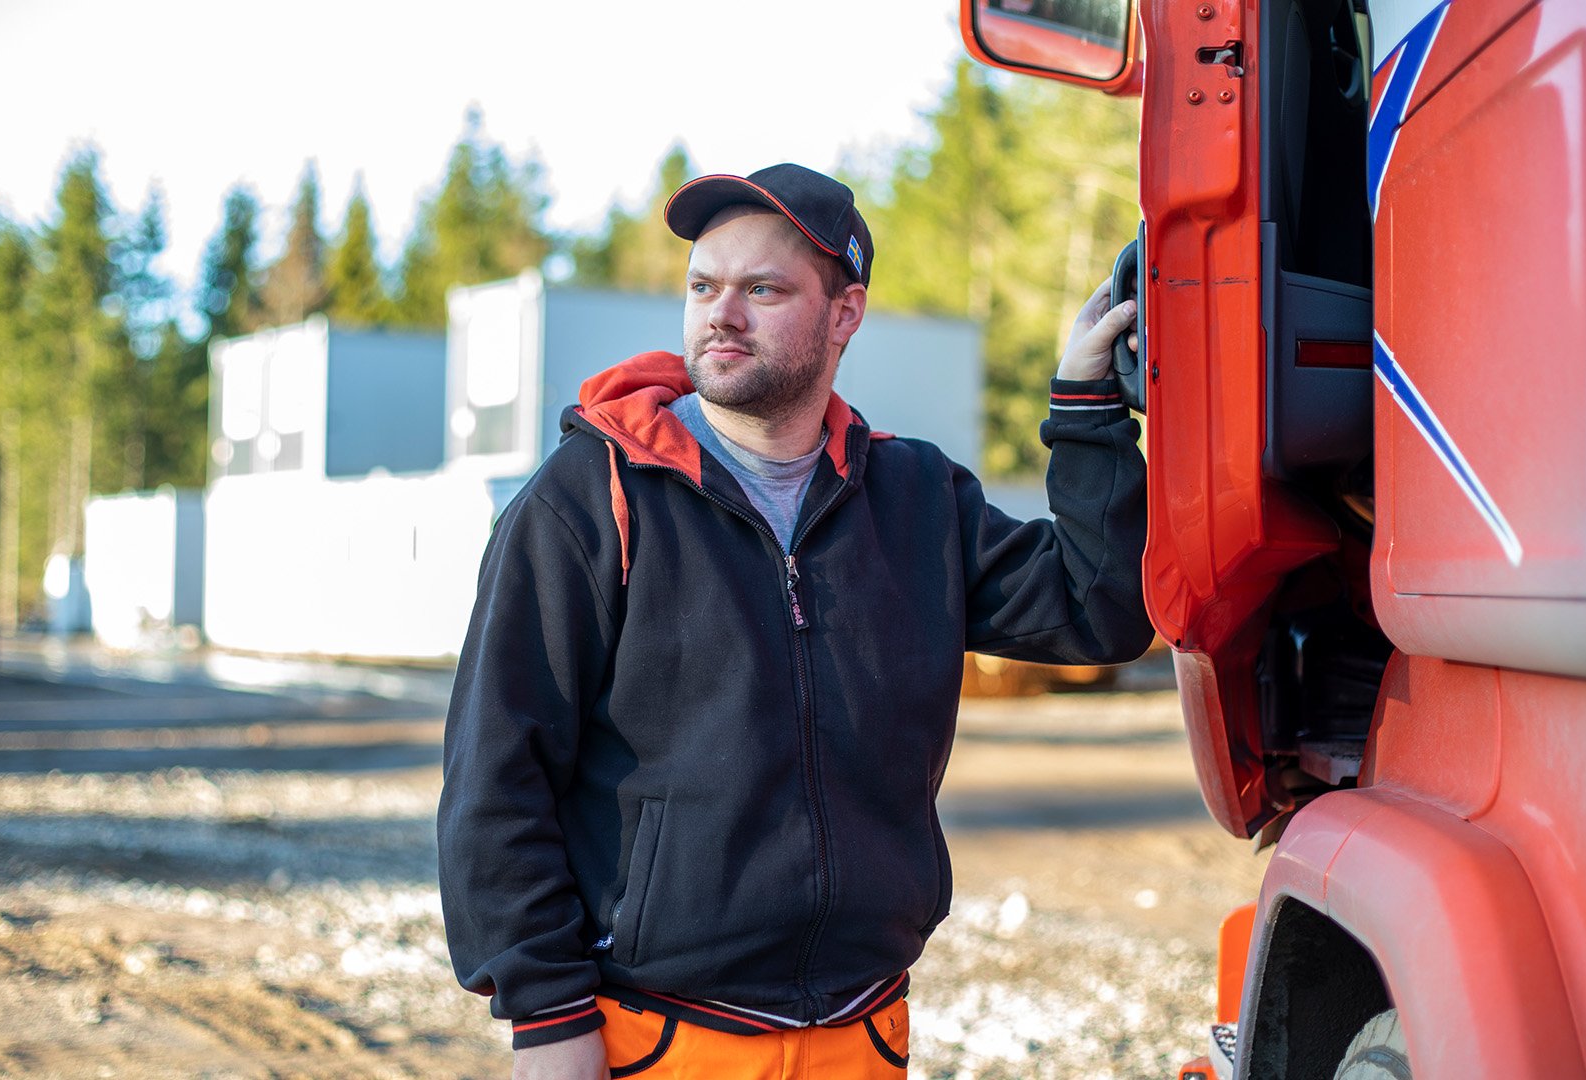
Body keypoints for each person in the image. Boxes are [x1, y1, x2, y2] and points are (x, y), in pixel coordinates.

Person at [437, 163, 1148, 1080]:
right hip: (658, 1040)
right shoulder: (591, 498)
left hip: (865, 1031)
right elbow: (496, 771)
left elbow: (1099, 612)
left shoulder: (916, 496)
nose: (721, 315)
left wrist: (1087, 406)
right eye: (703, 287)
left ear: (845, 314)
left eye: (762, 290)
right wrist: (547, 1015)